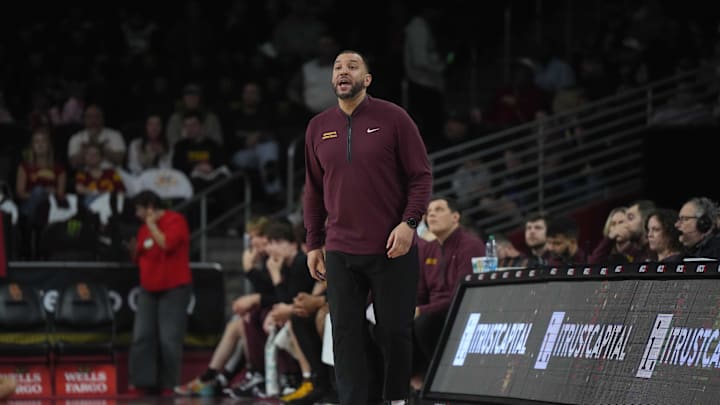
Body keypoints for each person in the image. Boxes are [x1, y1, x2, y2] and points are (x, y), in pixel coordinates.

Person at [303, 50, 433, 405]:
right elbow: (313, 191)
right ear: (332, 80)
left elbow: (420, 177)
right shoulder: (317, 127)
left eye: (352, 66)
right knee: (345, 334)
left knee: (394, 332)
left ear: (367, 79)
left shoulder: (394, 118)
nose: (343, 71)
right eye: (338, 67)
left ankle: (395, 399)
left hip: (392, 247)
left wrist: (409, 224)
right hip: (341, 248)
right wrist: (314, 243)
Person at [413, 197, 483, 391]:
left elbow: (463, 294)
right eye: (429, 211)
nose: (431, 214)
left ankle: (436, 379)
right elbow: (421, 291)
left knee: (424, 322)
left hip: (458, 312)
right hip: (431, 312)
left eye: (439, 209)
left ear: (455, 217)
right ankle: (416, 380)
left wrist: (420, 310)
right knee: (387, 326)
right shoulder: (431, 248)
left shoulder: (470, 245)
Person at [127, 189, 192, 396]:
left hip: (174, 288)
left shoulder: (176, 220)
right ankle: (140, 382)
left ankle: (168, 384)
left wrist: (152, 225)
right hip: (148, 290)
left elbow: (167, 244)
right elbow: (138, 255)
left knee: (169, 339)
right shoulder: (142, 229)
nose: (136, 214)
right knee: (141, 336)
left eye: (139, 209)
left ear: (150, 208)